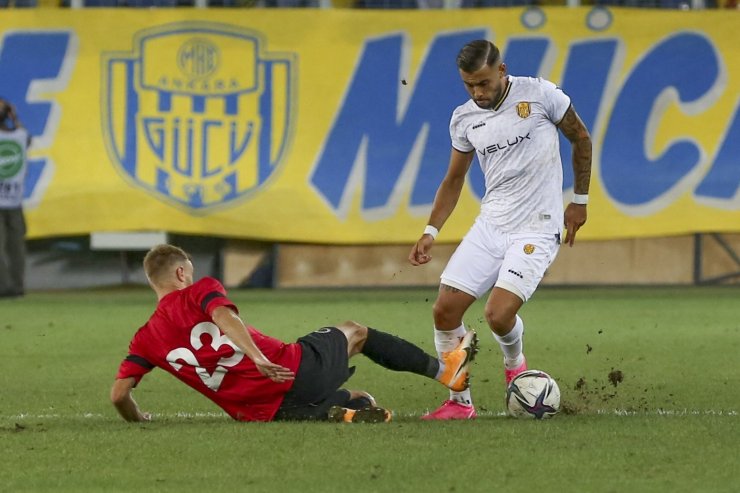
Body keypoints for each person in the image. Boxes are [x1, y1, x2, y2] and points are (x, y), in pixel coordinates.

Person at [408, 40, 592, 420]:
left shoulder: (540, 95)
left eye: (484, 83)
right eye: (469, 85)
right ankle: (459, 404)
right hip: (491, 225)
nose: (478, 92)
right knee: (444, 311)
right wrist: (431, 230)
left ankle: (516, 369)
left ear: (502, 70)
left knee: (497, 314)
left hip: (536, 227)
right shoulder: (463, 118)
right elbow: (453, 179)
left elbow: (581, 137)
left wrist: (580, 200)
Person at [111, 244, 479, 423]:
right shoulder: (198, 290)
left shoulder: (144, 338)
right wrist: (259, 359)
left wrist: (137, 418)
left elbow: (118, 395)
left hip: (263, 412)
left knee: (360, 397)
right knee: (355, 332)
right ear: (180, 274)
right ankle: (446, 371)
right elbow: (224, 317)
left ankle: (340, 413)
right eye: (187, 271)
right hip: (289, 370)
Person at [0, 98, 31, 299]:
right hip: (15, 201)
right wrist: (15, 117)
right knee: (16, 247)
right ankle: (17, 287)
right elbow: (26, 136)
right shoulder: (20, 136)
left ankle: (4, 287)